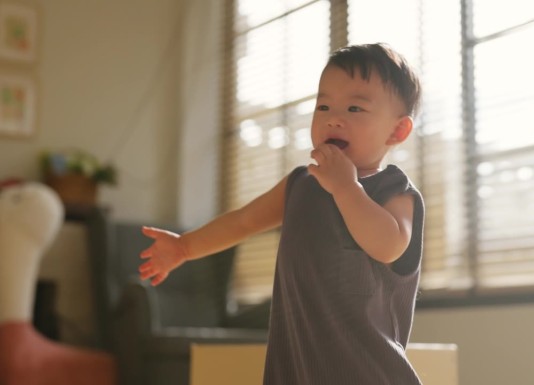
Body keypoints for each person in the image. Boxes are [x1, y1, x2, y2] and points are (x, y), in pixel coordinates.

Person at [139, 42, 425, 384]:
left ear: (397, 130)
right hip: (297, 370)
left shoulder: (394, 192)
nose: (333, 118)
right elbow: (244, 221)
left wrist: (347, 188)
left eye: (354, 108)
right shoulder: (301, 185)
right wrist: (185, 247)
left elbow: (389, 245)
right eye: (323, 106)